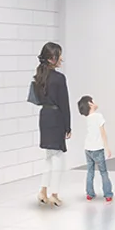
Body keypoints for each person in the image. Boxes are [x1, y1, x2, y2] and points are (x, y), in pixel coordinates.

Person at [34, 42, 71, 207]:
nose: (61, 58)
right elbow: (64, 103)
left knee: (49, 157)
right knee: (57, 158)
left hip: (44, 116)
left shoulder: (39, 77)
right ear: (51, 59)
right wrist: (68, 126)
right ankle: (54, 194)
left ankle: (43, 191)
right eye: (58, 55)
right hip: (56, 118)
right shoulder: (59, 78)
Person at [79, 95, 113, 203]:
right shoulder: (98, 116)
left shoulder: (88, 118)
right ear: (90, 104)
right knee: (103, 172)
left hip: (88, 148)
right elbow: (103, 133)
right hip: (98, 148)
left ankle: (89, 194)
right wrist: (107, 147)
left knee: (90, 171)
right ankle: (108, 194)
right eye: (93, 101)